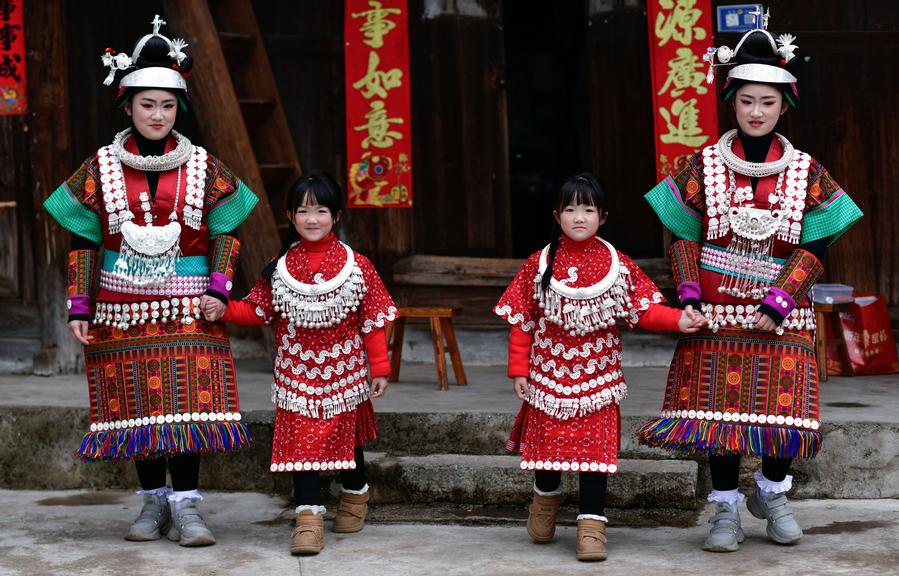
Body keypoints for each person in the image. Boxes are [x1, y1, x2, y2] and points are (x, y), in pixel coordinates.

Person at [638, 20, 863, 552]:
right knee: (721, 418)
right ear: (731, 103)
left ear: (784, 105)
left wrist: (781, 300)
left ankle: (773, 494)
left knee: (780, 414)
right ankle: (724, 512)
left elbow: (818, 244)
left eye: (767, 102)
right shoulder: (703, 165)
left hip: (782, 312)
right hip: (715, 313)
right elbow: (682, 236)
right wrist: (688, 295)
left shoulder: (807, 171)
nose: (756, 111)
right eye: (746, 101)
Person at [42, 16, 259, 546]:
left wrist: (219, 290)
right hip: (121, 303)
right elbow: (84, 239)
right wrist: (78, 304)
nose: (157, 115)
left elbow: (227, 232)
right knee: (136, 400)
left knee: (187, 402)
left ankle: (187, 508)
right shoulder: (99, 166)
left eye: (166, 105)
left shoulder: (206, 166)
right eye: (147, 105)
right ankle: (150, 504)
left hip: (190, 305)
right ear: (128, 106)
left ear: (178, 107)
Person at [495, 172, 706, 561]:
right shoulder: (536, 265)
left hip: (599, 382)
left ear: (603, 217)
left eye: (588, 209)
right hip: (547, 380)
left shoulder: (618, 265)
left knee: (594, 457)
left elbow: (643, 310)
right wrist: (519, 370)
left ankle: (592, 528)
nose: (579, 217)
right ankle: (544, 503)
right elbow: (522, 322)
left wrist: (677, 320)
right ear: (556, 215)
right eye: (570, 209)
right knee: (548, 453)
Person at [213, 172, 397, 555]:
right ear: (290, 216)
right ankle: (308, 517)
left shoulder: (357, 266)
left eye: (321, 210)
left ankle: (354, 494)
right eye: (303, 210)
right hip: (296, 375)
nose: (312, 219)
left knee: (347, 442)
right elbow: (257, 310)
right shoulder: (278, 267)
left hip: (344, 373)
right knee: (301, 445)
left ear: (337, 216)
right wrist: (223, 309)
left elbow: (373, 322)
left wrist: (379, 368)